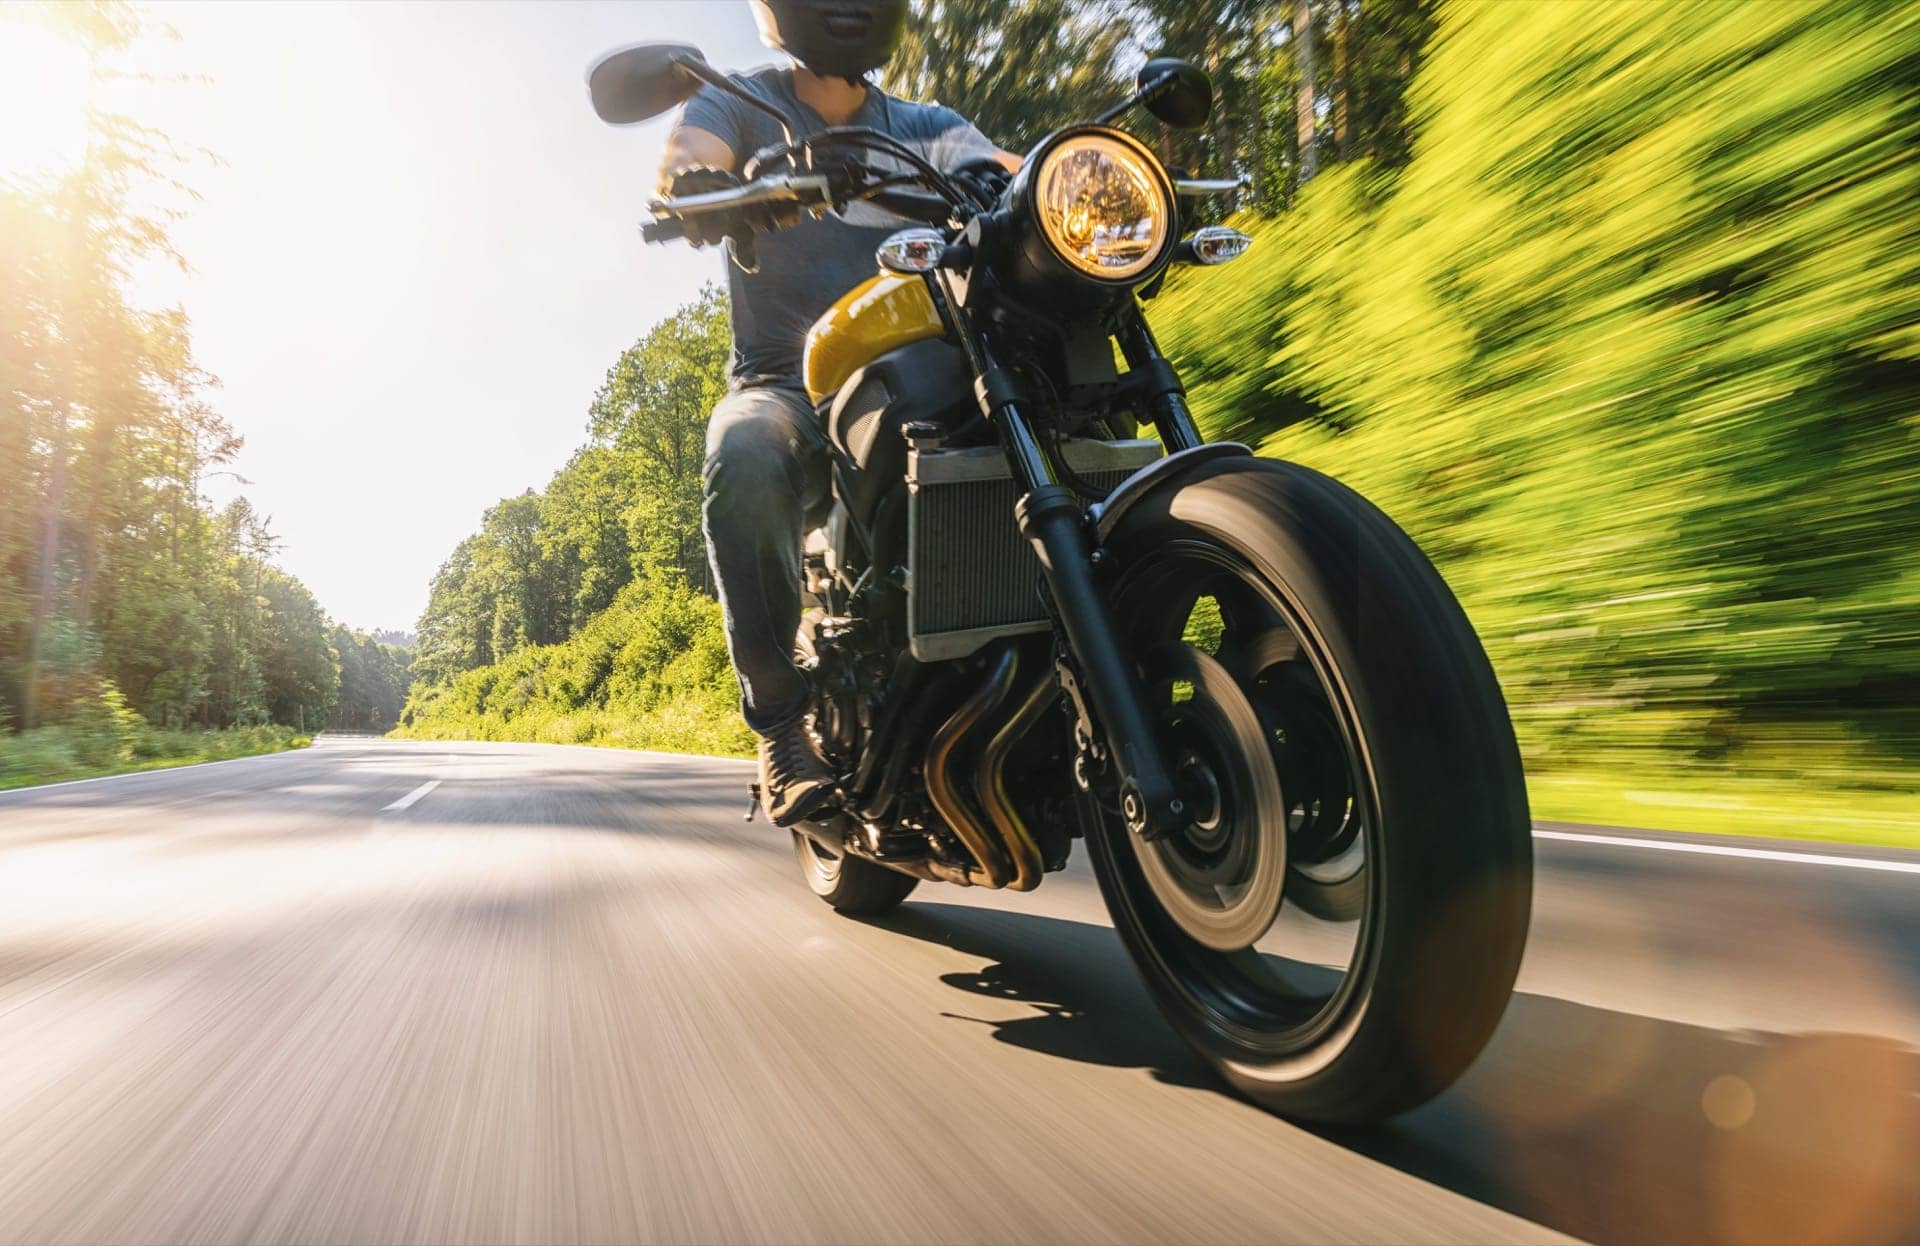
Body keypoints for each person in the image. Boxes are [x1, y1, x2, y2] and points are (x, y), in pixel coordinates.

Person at [657, 0, 1017, 826]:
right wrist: (708, 188)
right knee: (742, 453)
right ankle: (780, 721)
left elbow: (1012, 170)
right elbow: (686, 158)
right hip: (791, 386)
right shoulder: (738, 105)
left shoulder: (925, 126)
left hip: (930, 373)